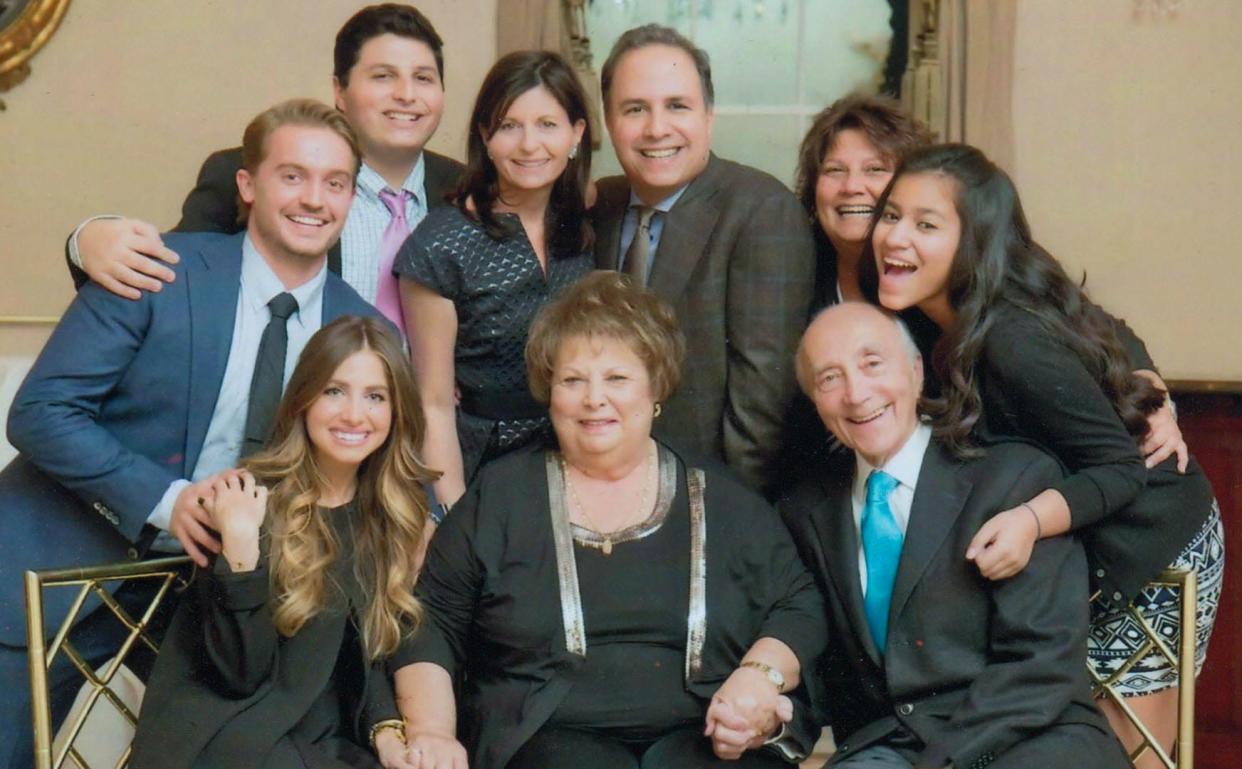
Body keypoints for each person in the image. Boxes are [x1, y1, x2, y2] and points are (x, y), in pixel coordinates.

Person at [0, 99, 384, 768]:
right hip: (58, 565)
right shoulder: (159, 270)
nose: (314, 199)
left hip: (226, 609)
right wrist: (165, 498)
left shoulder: (360, 327)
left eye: (335, 182)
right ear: (247, 185)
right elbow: (41, 411)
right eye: (292, 176)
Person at [862, 143, 1224, 767]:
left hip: (1150, 541)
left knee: (1122, 755)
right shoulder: (926, 315)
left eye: (926, 225)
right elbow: (1108, 324)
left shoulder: (1010, 342)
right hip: (1078, 545)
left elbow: (1119, 468)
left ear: (973, 242)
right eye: (891, 215)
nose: (895, 237)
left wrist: (1030, 521)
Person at [389, 271, 827, 769]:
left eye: (617, 379)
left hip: (701, 738)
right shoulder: (501, 496)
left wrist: (759, 675)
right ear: (550, 393)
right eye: (573, 380)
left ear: (655, 389)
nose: (594, 398)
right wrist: (432, 732)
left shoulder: (721, 495)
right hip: (545, 739)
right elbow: (428, 621)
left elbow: (798, 603)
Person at [782, 302, 1132, 768]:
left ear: (915, 370)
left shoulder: (1011, 479)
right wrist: (775, 717)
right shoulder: (805, 512)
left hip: (1026, 736)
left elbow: (1042, 667)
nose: (856, 393)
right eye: (829, 378)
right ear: (816, 403)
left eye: (872, 364)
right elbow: (819, 673)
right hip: (892, 745)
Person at [129, 316, 436, 769]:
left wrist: (388, 734)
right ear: (303, 400)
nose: (354, 414)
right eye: (334, 391)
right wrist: (239, 548)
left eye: (375, 396)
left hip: (323, 737)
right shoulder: (245, 499)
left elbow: (365, 655)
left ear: (396, 412)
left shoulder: (390, 513)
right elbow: (239, 677)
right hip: (229, 735)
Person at [65, 3, 462, 332]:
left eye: (423, 78)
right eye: (383, 76)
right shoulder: (252, 173)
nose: (407, 95)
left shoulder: (471, 191)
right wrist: (85, 241)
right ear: (340, 91)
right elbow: (168, 279)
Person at [591, 24, 816, 495]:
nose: (657, 128)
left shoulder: (761, 210)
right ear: (609, 121)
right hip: (602, 488)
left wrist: (728, 518)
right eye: (635, 109)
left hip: (711, 500)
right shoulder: (599, 207)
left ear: (709, 116)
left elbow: (763, 405)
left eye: (677, 106)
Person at [395, 50, 593, 506]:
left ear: (576, 134)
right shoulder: (441, 246)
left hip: (579, 457)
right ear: (485, 136)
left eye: (548, 125)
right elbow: (435, 404)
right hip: (485, 465)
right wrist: (453, 517)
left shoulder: (582, 222)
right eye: (509, 126)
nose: (529, 145)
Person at [793, 94, 931, 309]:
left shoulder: (934, 283)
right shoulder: (795, 274)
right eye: (835, 170)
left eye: (875, 169)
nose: (852, 187)